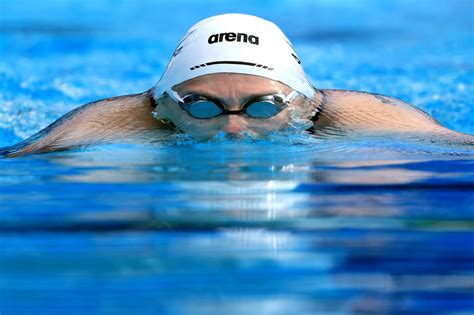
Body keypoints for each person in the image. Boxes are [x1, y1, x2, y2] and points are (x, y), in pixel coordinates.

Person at [1, 14, 472, 157]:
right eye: (201, 107)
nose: (233, 130)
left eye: (264, 107)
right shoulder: (120, 120)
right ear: (164, 104)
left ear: (304, 104)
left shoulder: (353, 117)